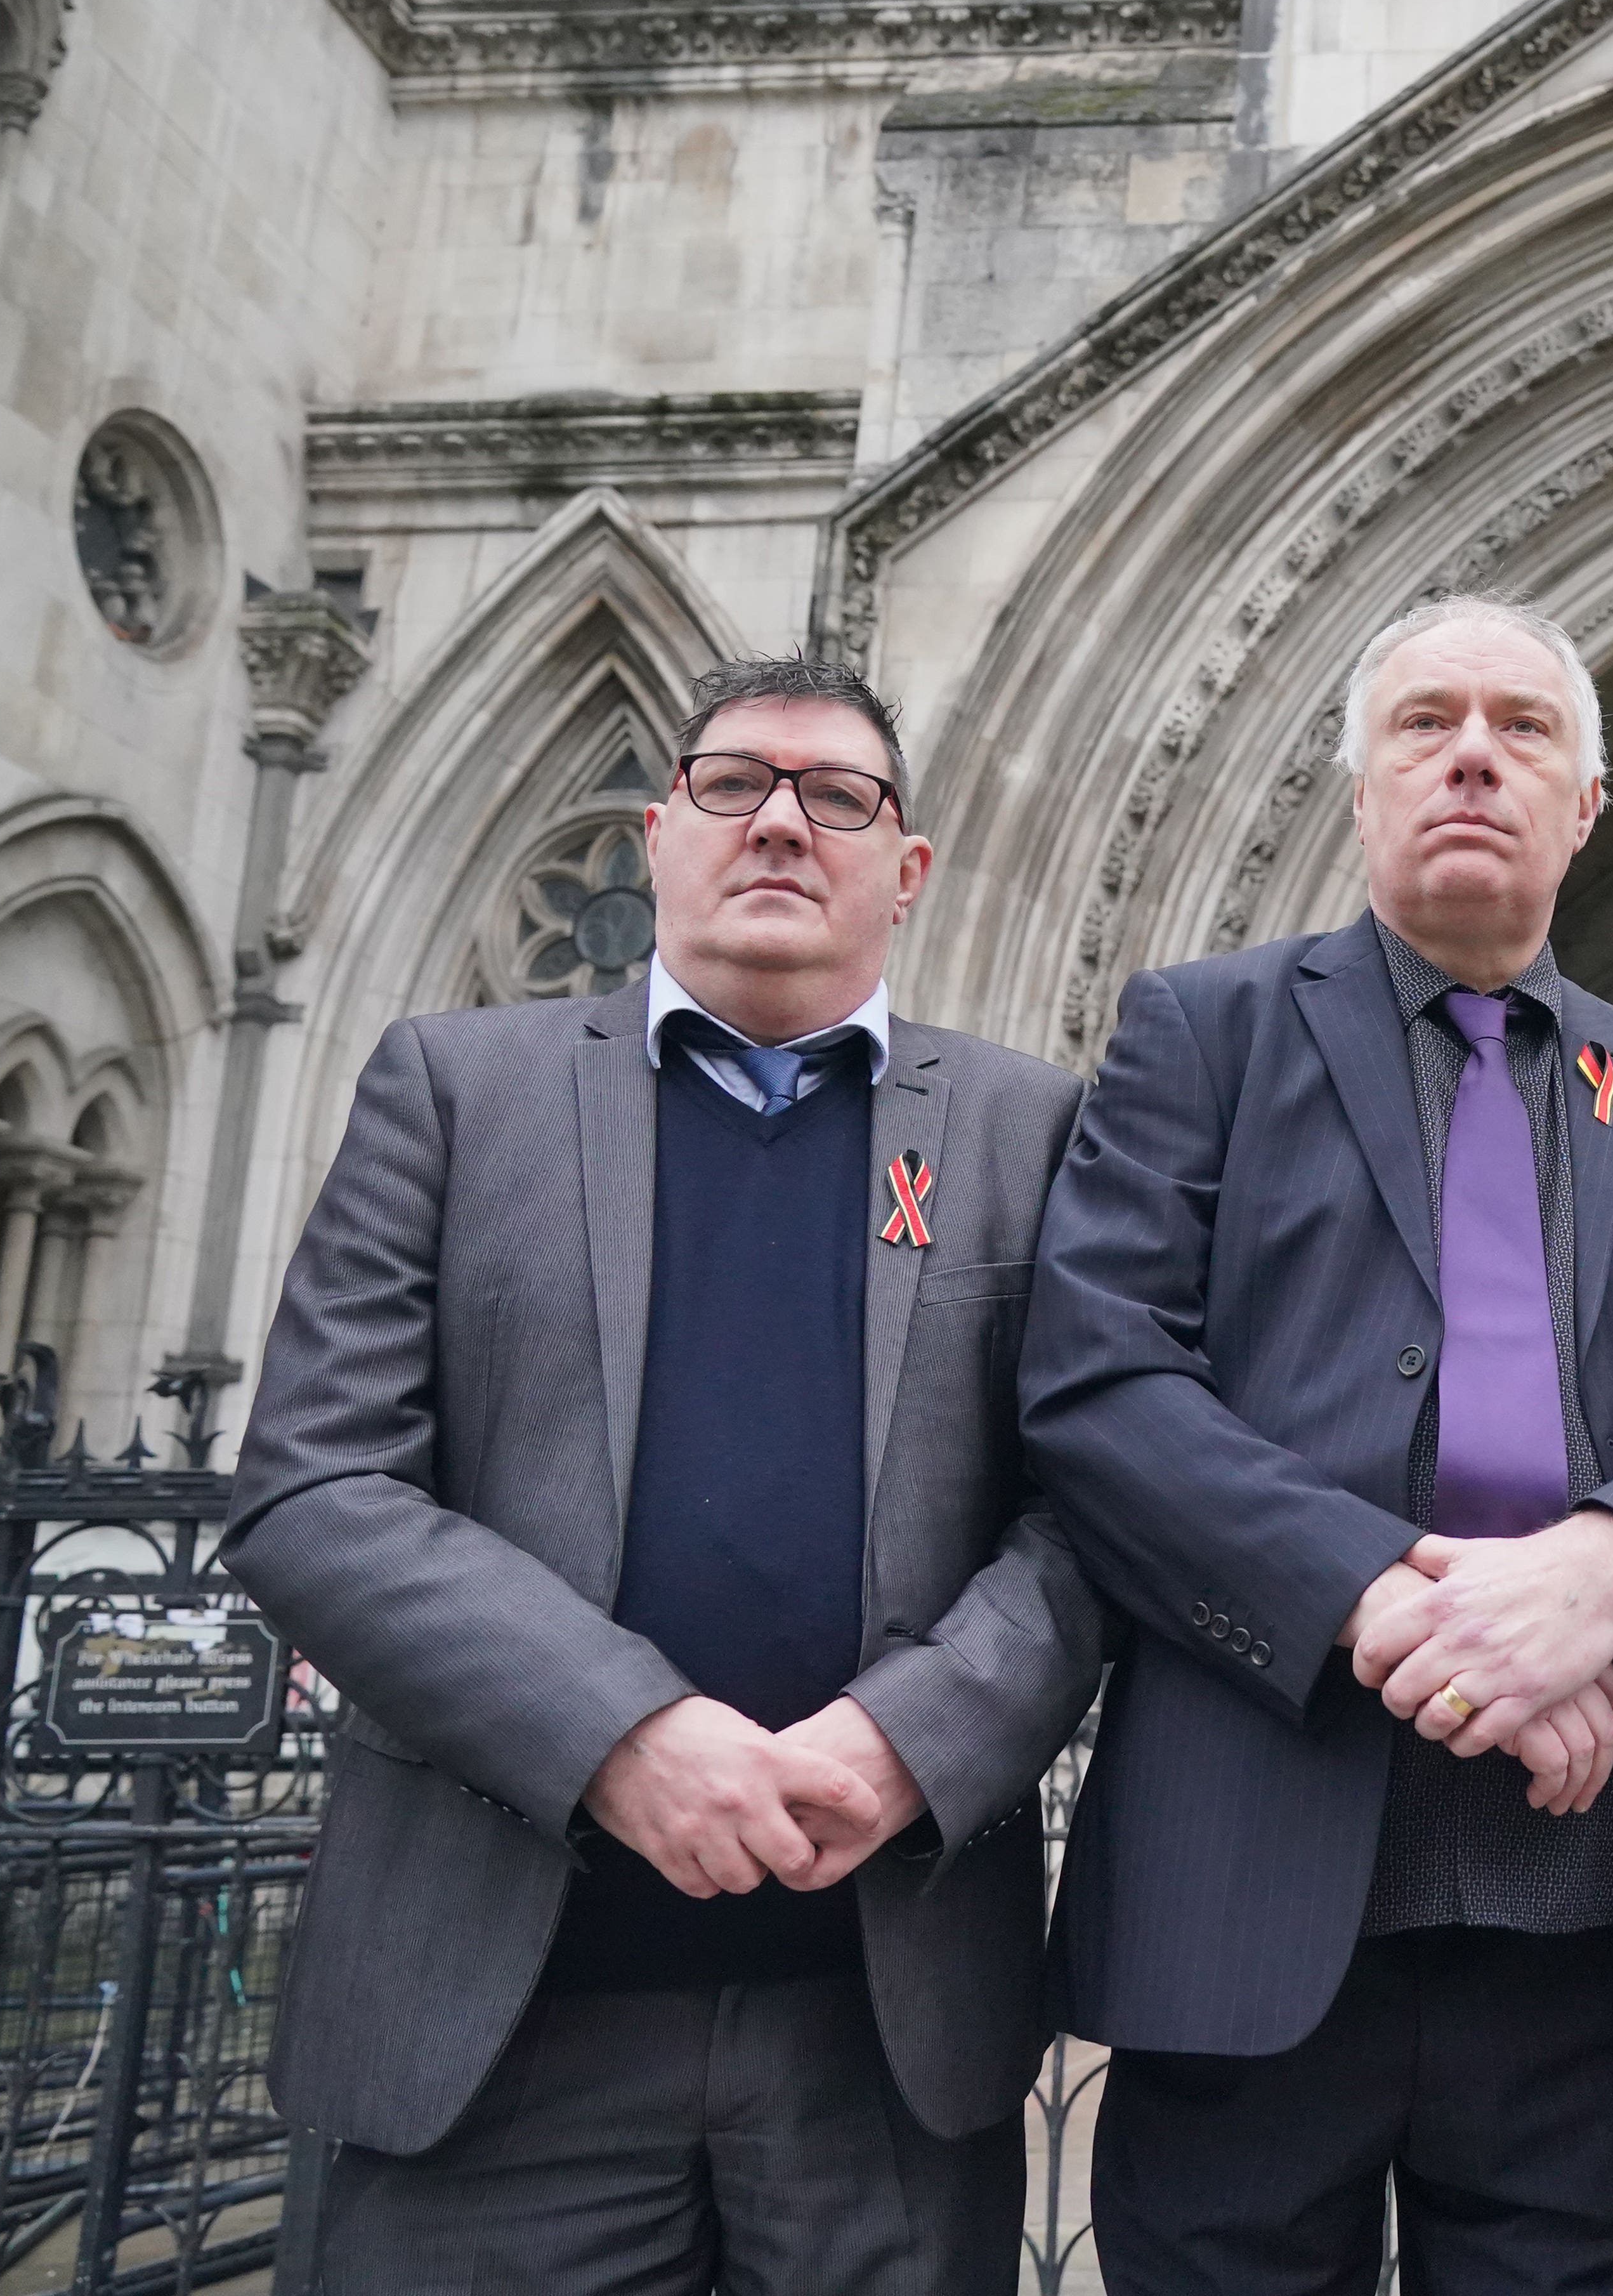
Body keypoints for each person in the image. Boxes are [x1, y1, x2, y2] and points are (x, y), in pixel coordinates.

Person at [223, 656, 1102, 2292]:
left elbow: (1088, 1511)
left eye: (838, 795)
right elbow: (313, 1488)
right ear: (658, 833)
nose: (780, 820)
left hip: (880, 2037)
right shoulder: (453, 1087)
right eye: (732, 784)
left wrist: (913, 1738)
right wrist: (618, 1735)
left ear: (907, 869)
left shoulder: (1026, 1130)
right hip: (496, 2030)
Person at [1019, 594, 1613, 2295]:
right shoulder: (1203, 1038)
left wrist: (1601, 1575)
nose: (1473, 754)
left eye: (1523, 728)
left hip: (1588, 1902)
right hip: (1251, 1892)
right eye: (1425, 724)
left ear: (1585, 805)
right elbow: (1098, 1383)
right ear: (1359, 787)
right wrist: (1396, 1611)